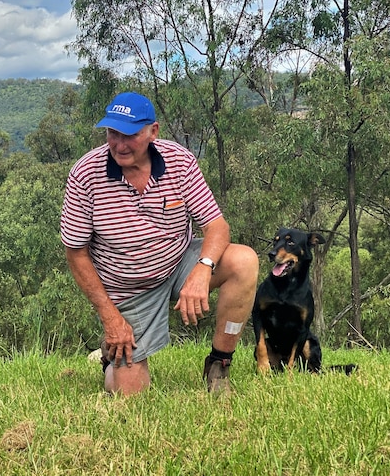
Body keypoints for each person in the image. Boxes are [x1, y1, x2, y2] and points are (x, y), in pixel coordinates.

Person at [60, 91, 259, 395]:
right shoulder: (86, 174)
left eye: (130, 135)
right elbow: (76, 254)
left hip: (179, 263)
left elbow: (217, 226)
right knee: (131, 395)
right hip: (127, 287)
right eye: (113, 133)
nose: (120, 144)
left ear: (153, 131)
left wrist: (203, 269)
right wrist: (111, 318)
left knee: (243, 261)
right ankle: (111, 355)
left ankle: (220, 364)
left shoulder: (179, 161)